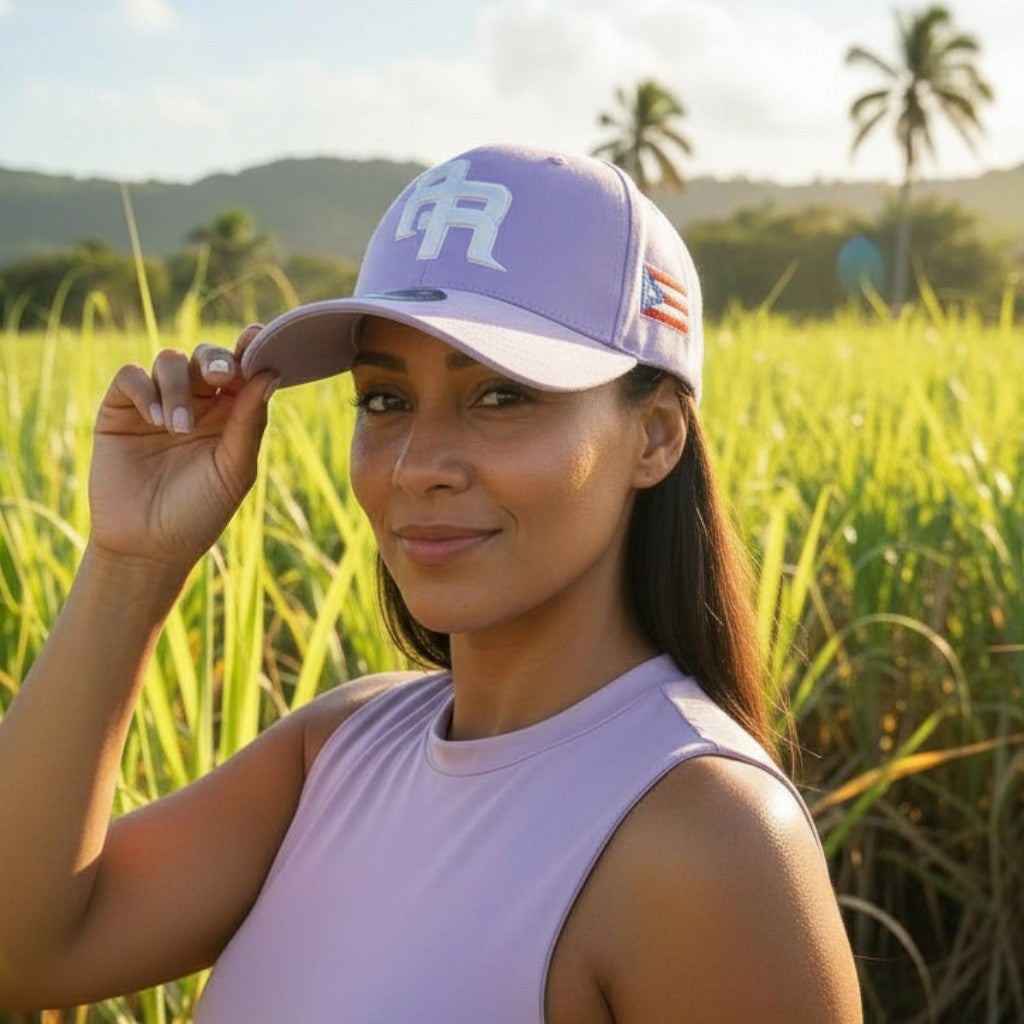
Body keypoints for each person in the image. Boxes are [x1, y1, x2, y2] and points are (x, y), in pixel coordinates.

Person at [0, 144, 862, 1022]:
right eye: (385, 400)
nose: (417, 466)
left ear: (656, 437)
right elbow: (21, 952)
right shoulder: (339, 750)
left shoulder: (708, 837)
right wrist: (131, 564)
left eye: (500, 396)